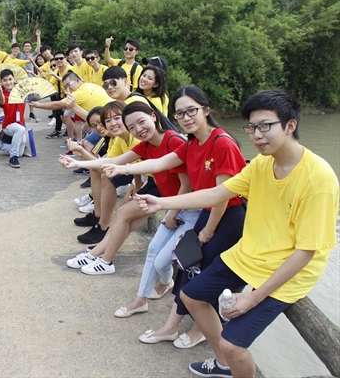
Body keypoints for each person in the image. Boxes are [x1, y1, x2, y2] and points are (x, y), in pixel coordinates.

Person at [135, 89, 339, 377]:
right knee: (190, 296)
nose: (257, 135)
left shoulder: (318, 179)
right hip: (251, 253)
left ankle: (229, 359)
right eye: (252, 128)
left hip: (289, 269)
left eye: (265, 126)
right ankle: (225, 365)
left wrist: (252, 298)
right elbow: (217, 193)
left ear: (290, 125)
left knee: (232, 344)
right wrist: (162, 202)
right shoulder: (263, 163)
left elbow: (306, 251)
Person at [102, 85, 247, 351]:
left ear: (205, 109)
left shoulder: (222, 143)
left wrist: (207, 230)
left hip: (227, 217)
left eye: (191, 111)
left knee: (201, 273)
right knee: (187, 269)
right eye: (180, 114)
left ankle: (199, 329)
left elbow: (223, 196)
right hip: (208, 213)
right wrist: (121, 168)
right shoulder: (192, 143)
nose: (186, 118)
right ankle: (170, 327)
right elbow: (159, 164)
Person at [63, 101, 192, 272]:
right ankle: (96, 254)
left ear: (153, 117)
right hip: (159, 187)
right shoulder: (145, 143)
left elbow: (186, 183)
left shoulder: (172, 140)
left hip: (176, 198)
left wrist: (172, 213)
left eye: (141, 122)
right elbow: (116, 161)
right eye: (132, 126)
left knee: (124, 214)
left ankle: (103, 259)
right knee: (124, 217)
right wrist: (77, 163)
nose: (138, 129)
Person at [59, 101, 139, 244]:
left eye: (100, 123)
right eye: (94, 125)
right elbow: (103, 164)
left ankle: (103, 231)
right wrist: (79, 156)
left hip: (146, 176)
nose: (99, 128)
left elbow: (106, 166)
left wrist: (80, 156)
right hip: (136, 173)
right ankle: (99, 218)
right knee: (100, 173)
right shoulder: (116, 139)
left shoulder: (132, 137)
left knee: (120, 207)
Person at [0, 69, 27, 168]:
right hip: (8, 126)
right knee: (20, 130)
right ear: (1, 82)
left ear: (14, 79)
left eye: (10, 79)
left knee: (20, 152)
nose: (8, 82)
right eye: (5, 80)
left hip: (20, 125)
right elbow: (1, 102)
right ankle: (13, 158)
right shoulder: (2, 94)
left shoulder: (20, 92)